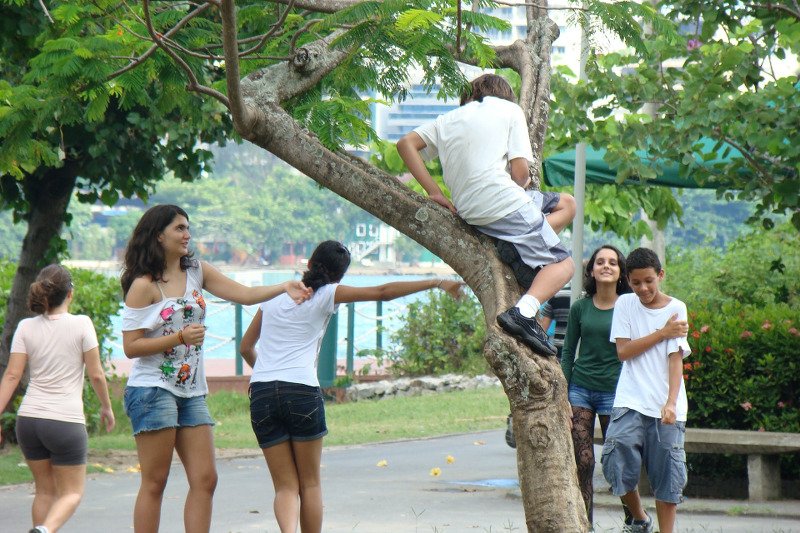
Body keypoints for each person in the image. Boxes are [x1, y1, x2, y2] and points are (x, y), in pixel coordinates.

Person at [239, 240, 464, 533]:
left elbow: (246, 347)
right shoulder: (328, 293)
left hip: (263, 392)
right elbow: (382, 293)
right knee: (310, 483)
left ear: (308, 263)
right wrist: (438, 282)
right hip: (302, 391)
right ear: (340, 276)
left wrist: (269, 378)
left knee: (284, 486)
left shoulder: (275, 295)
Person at [120, 204, 311, 533]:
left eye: (187, 227)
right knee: (155, 482)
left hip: (192, 391)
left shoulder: (197, 270)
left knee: (206, 479)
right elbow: (131, 346)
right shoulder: (144, 285)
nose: (187, 234)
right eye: (179, 228)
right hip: (153, 390)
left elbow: (246, 295)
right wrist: (178, 336)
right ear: (158, 236)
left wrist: (283, 286)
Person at [397, 73, 575, 357]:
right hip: (503, 202)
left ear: (469, 97)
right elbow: (519, 174)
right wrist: (519, 180)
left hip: (469, 210)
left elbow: (405, 143)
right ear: (505, 94)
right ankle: (523, 314)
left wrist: (434, 192)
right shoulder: (510, 109)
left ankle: (518, 243)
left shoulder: (448, 119)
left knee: (566, 203)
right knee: (562, 266)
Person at [0, 264, 116, 533]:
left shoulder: (26, 327)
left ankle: (40, 529)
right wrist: (107, 407)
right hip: (64, 421)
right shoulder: (81, 324)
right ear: (70, 294)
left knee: (44, 492)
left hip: (29, 421)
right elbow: (97, 375)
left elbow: (11, 376)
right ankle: (43, 531)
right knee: (72, 493)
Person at [602, 247, 691, 533]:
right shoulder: (625, 305)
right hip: (630, 399)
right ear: (627, 280)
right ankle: (639, 517)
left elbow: (674, 360)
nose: (643, 288)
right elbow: (624, 351)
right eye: (636, 282)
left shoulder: (676, 307)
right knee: (617, 456)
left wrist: (670, 403)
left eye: (649, 281)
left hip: (667, 405)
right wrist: (662, 333)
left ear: (660, 275)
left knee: (668, 475)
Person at [560, 246, 632, 524]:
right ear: (591, 270)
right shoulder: (580, 307)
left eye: (612, 262)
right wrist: (564, 394)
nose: (606, 266)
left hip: (615, 392)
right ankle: (585, 524)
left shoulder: (629, 307)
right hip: (581, 389)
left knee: (617, 462)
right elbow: (568, 352)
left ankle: (633, 520)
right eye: (600, 262)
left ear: (620, 272)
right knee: (584, 461)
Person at [504, 286, 571, 448]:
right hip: (581, 359)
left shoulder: (557, 295)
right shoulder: (591, 299)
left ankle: (519, 420)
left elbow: (541, 329)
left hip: (558, 355)